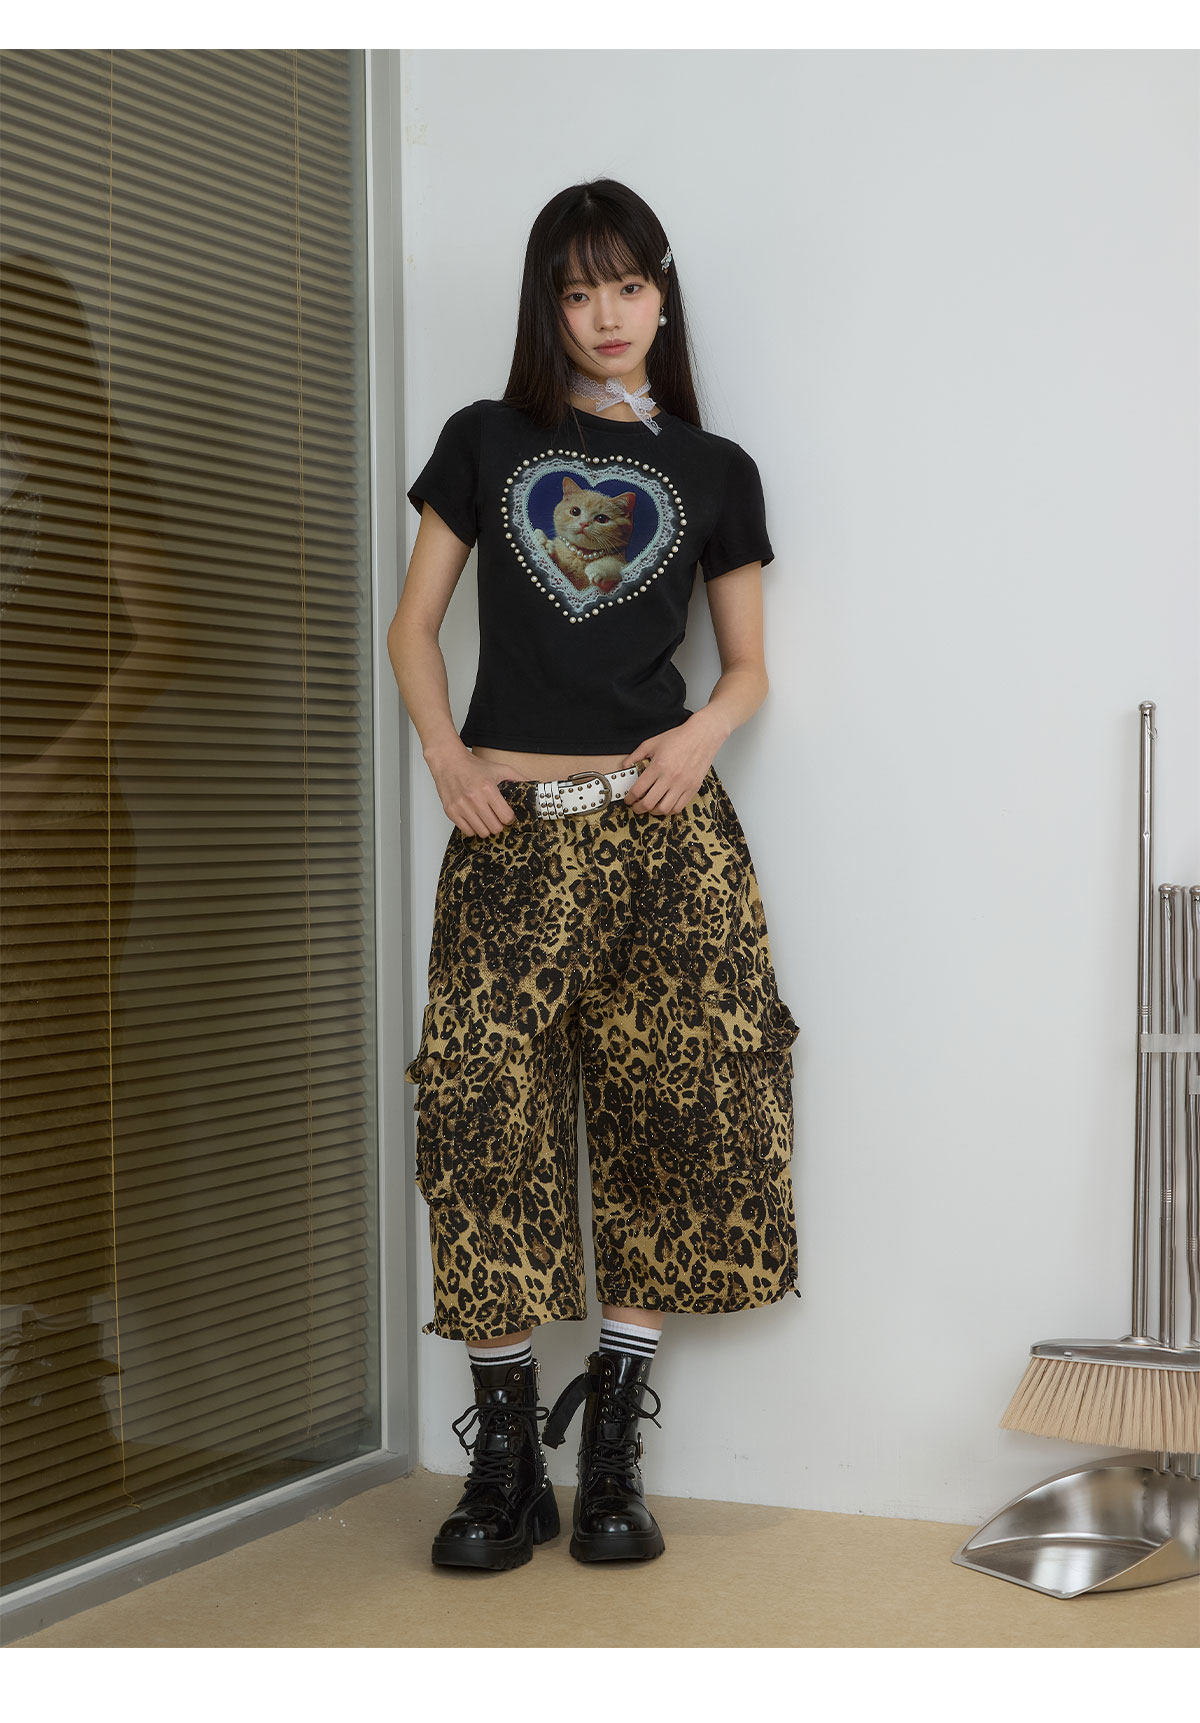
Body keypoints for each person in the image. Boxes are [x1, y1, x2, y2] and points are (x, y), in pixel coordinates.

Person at [388, 178, 801, 1574]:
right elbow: (412, 628)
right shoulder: (485, 439)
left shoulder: (716, 469)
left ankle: (613, 1447)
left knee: (677, 1114)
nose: (607, 315)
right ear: (546, 307)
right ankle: (508, 1465)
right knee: (479, 1115)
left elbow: (748, 667)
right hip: (507, 832)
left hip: (663, 835)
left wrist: (698, 735)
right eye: (577, 291)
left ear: (663, 295)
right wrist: (446, 756)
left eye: (628, 285)